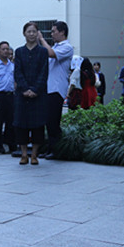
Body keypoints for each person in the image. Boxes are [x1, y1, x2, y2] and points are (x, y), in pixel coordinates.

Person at [13, 22, 48, 165]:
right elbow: (17, 72)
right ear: (24, 34)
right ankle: (23, 154)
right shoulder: (19, 51)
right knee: (21, 125)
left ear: (38, 33)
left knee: (37, 125)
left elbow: (44, 72)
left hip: (38, 95)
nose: (32, 34)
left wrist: (35, 89)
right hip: (22, 94)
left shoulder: (43, 52)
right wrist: (25, 89)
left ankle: (34, 155)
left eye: (34, 31)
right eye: (29, 31)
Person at [38, 21, 73, 159]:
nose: (52, 34)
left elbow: (51, 54)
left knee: (53, 121)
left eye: (53, 31)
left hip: (57, 89)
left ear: (62, 32)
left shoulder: (67, 47)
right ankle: (49, 149)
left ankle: (56, 150)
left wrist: (41, 39)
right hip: (49, 88)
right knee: (48, 121)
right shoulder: (56, 46)